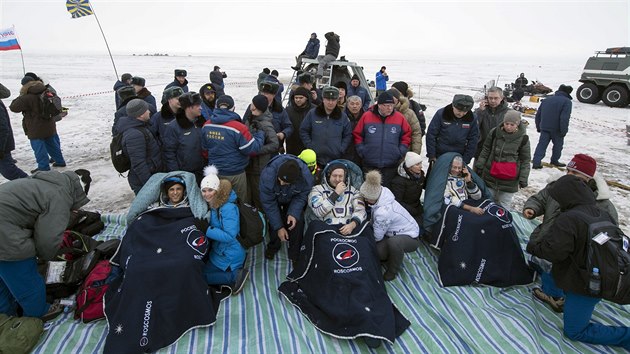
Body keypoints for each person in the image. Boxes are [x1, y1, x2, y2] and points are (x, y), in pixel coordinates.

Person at [526, 175, 630, 350]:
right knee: (556, 271)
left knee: (575, 331)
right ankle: (560, 298)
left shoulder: (569, 219)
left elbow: (554, 253)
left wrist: (534, 247)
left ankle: (626, 337)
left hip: (589, 283)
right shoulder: (601, 212)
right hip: (608, 271)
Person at [523, 154, 618, 311]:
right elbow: (541, 198)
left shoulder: (602, 203)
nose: (569, 175)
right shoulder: (557, 187)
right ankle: (552, 290)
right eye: (568, 171)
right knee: (546, 263)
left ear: (587, 178)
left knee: (564, 269)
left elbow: (609, 230)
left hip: (576, 250)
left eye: (575, 173)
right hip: (549, 238)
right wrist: (532, 208)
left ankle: (557, 295)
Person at [0, 170, 91, 321]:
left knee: (4, 277)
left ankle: (6, 316)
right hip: (5, 234)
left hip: (5, 224)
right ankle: (39, 313)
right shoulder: (59, 197)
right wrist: (46, 258)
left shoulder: (45, 182)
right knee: (26, 278)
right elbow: (47, 239)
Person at [360, 170, 420, 281]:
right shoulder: (382, 193)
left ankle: (392, 270)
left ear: (373, 198)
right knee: (378, 253)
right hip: (391, 232)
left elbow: (377, 237)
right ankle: (389, 255)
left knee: (394, 243)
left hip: (410, 236)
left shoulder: (383, 212)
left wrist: (366, 243)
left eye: (367, 198)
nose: (365, 200)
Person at [201, 95, 264, 202]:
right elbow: (252, 149)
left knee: (217, 202)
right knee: (239, 203)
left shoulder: (206, 126)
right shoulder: (238, 128)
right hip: (236, 173)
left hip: (215, 173)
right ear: (233, 108)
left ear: (216, 107)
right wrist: (260, 134)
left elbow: (204, 150)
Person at [200, 166, 250, 294]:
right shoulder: (214, 204)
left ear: (217, 190)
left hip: (230, 253)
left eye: (210, 190)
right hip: (221, 250)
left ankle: (235, 276)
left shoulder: (227, 208)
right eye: (204, 190)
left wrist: (207, 229)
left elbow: (229, 235)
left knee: (201, 277)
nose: (206, 194)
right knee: (200, 271)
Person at [260, 155, 314, 262]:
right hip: (274, 198)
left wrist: (293, 213)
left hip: (293, 198)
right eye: (280, 180)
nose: (281, 183)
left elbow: (302, 196)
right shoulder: (267, 175)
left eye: (285, 182)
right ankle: (274, 245)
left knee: (297, 222)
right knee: (274, 222)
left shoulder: (306, 178)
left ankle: (295, 254)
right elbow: (268, 203)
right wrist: (279, 227)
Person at [353, 92, 411, 188]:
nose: (390, 108)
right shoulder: (367, 116)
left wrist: (400, 151)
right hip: (370, 162)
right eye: (386, 105)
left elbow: (407, 135)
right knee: (368, 191)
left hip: (390, 164)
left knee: (386, 193)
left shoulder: (399, 118)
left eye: (392, 105)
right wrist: (362, 150)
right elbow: (357, 134)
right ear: (379, 105)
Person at [474, 110, 531, 207]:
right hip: (491, 175)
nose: (508, 127)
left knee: (504, 204)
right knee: (487, 201)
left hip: (509, 180)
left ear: (517, 124)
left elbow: (525, 160)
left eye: (512, 124)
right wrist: (480, 165)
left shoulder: (523, 139)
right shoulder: (495, 133)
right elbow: (486, 149)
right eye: (506, 123)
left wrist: (523, 178)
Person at [10, 79, 67, 173]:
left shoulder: (27, 97)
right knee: (52, 145)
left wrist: (21, 96)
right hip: (49, 124)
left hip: (35, 126)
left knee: (39, 148)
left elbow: (13, 107)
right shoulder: (47, 92)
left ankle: (43, 167)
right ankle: (60, 161)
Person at [116, 99, 163, 194]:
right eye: (146, 110)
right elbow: (138, 163)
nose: (149, 111)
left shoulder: (141, 127)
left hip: (150, 176)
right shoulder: (134, 134)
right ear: (140, 114)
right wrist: (150, 185)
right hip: (142, 182)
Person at [300, 86, 352, 168]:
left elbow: (348, 134)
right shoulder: (313, 114)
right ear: (323, 99)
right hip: (316, 159)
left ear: (337, 100)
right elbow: (304, 130)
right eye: (328, 99)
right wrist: (310, 145)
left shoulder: (343, 117)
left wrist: (341, 148)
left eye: (333, 100)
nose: (330, 103)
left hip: (335, 158)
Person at [308, 161, 366, 234]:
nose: (337, 179)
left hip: (349, 229)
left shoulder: (354, 192)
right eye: (334, 176)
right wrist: (335, 194)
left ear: (345, 177)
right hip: (327, 230)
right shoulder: (317, 190)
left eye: (340, 176)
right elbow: (319, 211)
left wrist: (353, 225)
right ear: (328, 176)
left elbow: (361, 211)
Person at [243, 94, 279, 210]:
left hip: (258, 167)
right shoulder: (250, 118)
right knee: (248, 197)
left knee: (258, 198)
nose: (250, 106)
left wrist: (256, 150)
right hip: (248, 165)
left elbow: (275, 144)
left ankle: (262, 222)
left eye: (253, 104)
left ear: (256, 107)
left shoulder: (265, 124)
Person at [162, 92, 206, 181]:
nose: (201, 108)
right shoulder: (173, 127)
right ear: (189, 107)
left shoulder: (202, 123)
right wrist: (176, 175)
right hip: (185, 174)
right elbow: (169, 153)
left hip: (203, 172)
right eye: (198, 105)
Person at [426, 94, 479, 165]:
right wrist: (432, 155)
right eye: (459, 111)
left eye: (465, 112)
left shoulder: (472, 118)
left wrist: (466, 160)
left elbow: (473, 140)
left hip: (459, 156)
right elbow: (431, 135)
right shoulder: (441, 114)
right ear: (453, 105)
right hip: (440, 155)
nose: (461, 114)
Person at [532, 84, 573, 169]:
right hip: (557, 129)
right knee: (558, 146)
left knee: (541, 145)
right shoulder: (567, 102)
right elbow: (564, 118)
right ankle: (555, 161)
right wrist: (563, 130)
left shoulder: (547, 99)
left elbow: (538, 115)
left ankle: (536, 162)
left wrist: (538, 126)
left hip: (544, 127)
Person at [474, 87, 511, 159]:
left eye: (496, 98)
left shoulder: (509, 113)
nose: (493, 101)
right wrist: (480, 112)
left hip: (500, 152)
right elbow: (474, 126)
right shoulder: (480, 111)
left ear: (502, 98)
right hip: (481, 150)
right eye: (490, 98)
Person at [0, 83, 27, 180]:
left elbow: (2, 128)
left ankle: (32, 185)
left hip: (2, 145)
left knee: (9, 171)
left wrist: (1, 148)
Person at [256, 80, 292, 152]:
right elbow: (245, 123)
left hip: (274, 149)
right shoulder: (254, 107)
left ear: (273, 95)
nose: (263, 95)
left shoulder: (279, 110)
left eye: (266, 93)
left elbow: (289, 127)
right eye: (262, 93)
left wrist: (283, 134)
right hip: (256, 147)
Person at [391, 152, 425, 225]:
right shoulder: (398, 181)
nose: (421, 166)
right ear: (410, 167)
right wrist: (413, 211)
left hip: (417, 207)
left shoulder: (420, 175)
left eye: (421, 163)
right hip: (405, 211)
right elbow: (397, 202)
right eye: (417, 164)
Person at [387, 88, 422, 155]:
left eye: (393, 99)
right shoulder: (382, 112)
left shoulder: (409, 113)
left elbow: (416, 133)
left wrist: (415, 153)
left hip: (404, 153)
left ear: (398, 99)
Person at [285, 87, 315, 156]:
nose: (298, 100)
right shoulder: (288, 111)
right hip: (292, 146)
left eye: (301, 98)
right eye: (296, 98)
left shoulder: (314, 110)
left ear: (306, 98)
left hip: (309, 147)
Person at [343, 95, 364, 165]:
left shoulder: (366, 118)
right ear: (347, 105)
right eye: (352, 104)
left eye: (357, 104)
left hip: (361, 154)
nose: (354, 106)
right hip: (345, 153)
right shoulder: (342, 117)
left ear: (361, 105)